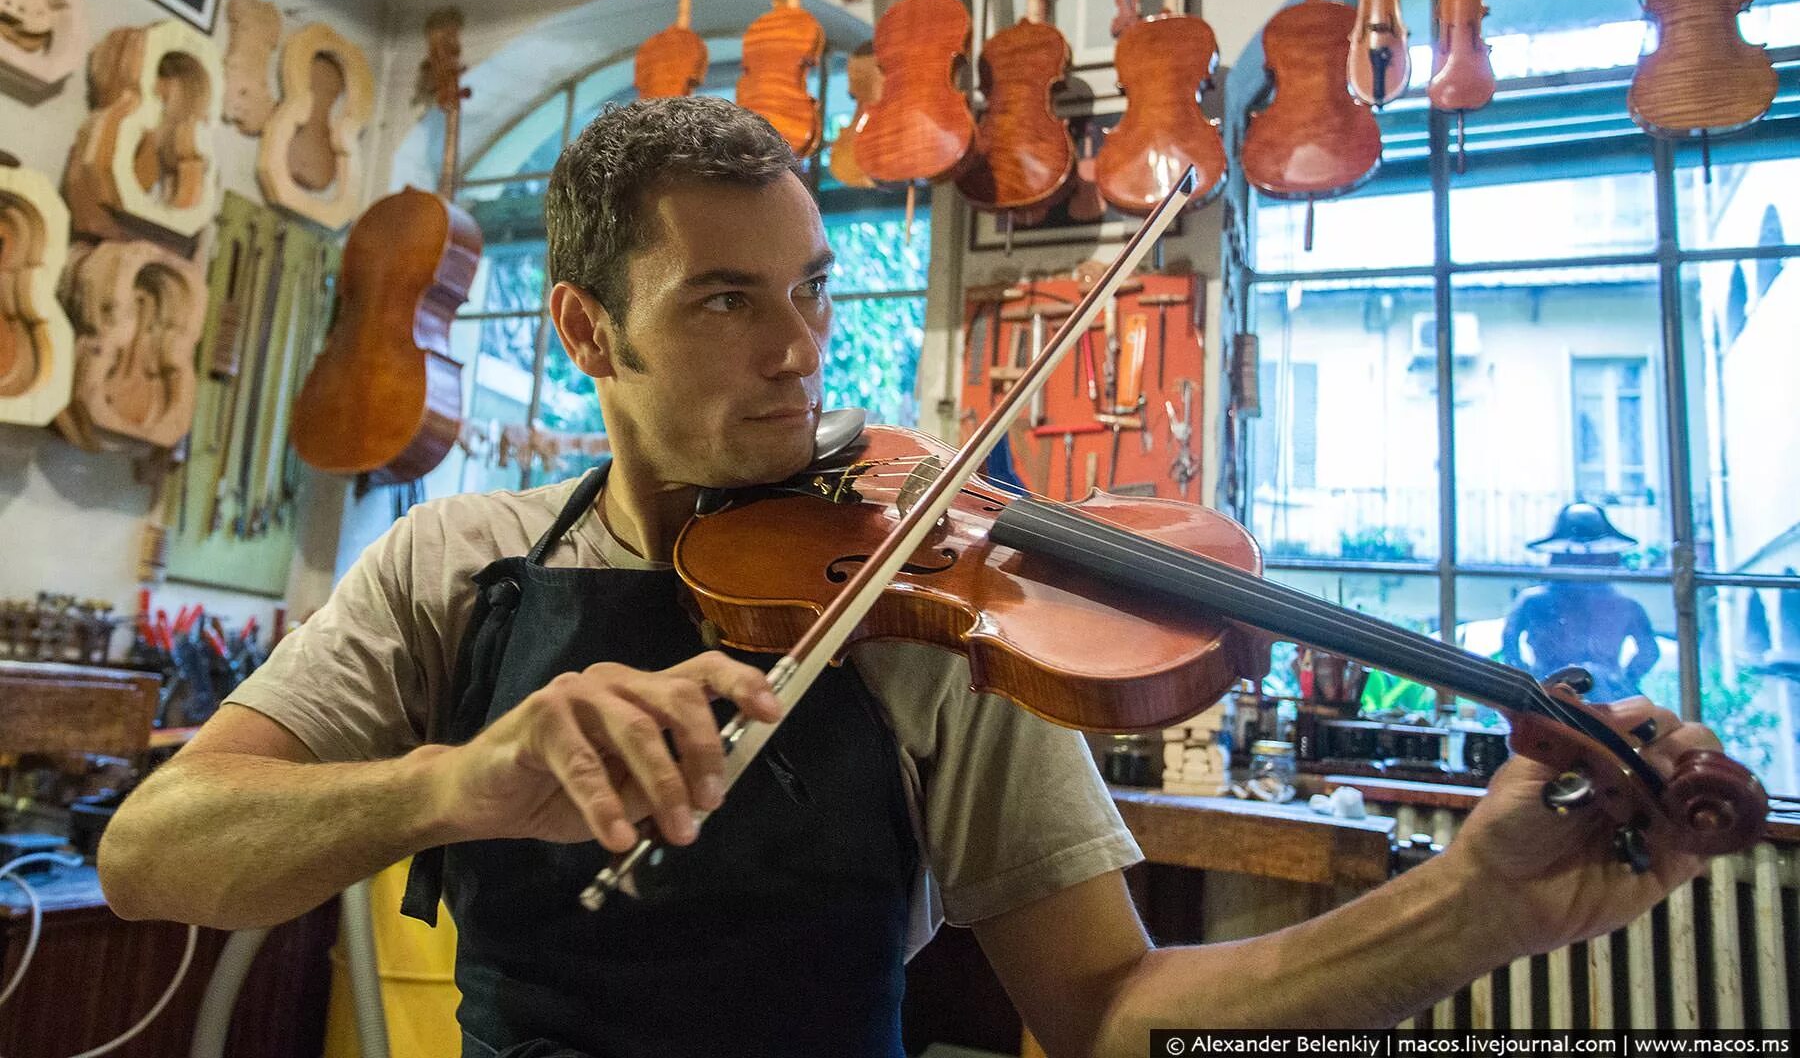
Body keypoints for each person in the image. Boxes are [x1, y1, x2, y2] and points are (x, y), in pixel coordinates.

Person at [99, 98, 1722, 1057]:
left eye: (811, 290)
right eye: (726, 302)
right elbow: (154, 858)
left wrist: (1470, 910)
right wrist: (449, 787)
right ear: (587, 332)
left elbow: (1109, 1011)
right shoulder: (456, 563)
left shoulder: (927, 607)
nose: (802, 353)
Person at [1500, 501, 1662, 702]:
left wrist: (1621, 682)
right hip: (1548, 697)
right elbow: (1510, 646)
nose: (1585, 561)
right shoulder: (1532, 601)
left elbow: (1649, 652)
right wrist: (1530, 684)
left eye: (1594, 556)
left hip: (1608, 702)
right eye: (1574, 556)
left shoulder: (1626, 606)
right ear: (1558, 557)